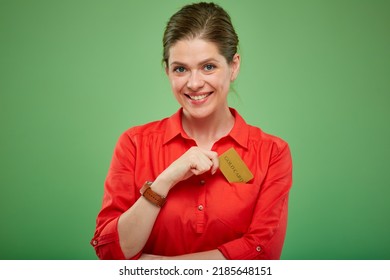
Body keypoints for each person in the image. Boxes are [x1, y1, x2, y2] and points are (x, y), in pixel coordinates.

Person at [90, 2, 292, 260]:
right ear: (167, 71)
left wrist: (162, 267)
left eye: (209, 66)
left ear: (234, 66)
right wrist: (166, 180)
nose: (194, 83)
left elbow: (262, 254)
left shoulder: (272, 152)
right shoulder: (134, 143)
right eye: (181, 69)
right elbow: (111, 253)